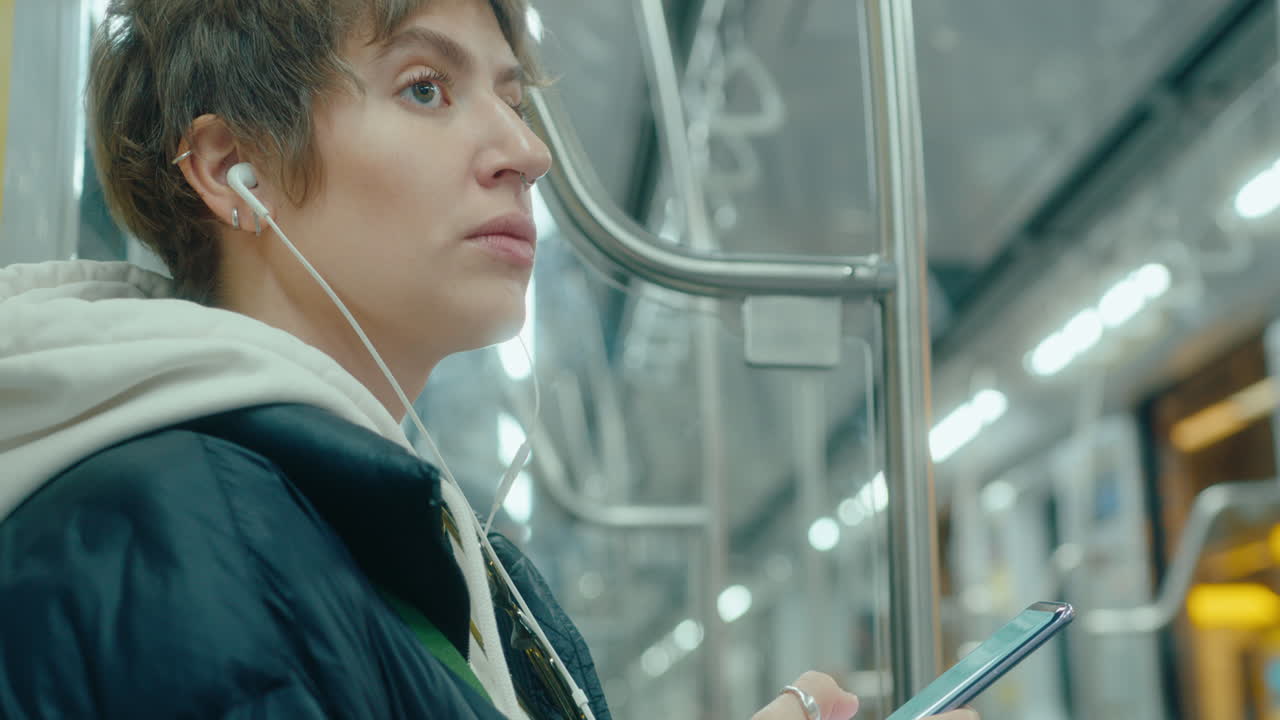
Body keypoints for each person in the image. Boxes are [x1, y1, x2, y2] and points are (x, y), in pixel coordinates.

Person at [0, 0, 977, 718]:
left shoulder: (377, 535)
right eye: (425, 89)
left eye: (511, 100)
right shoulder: (177, 529)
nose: (524, 150)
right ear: (229, 171)